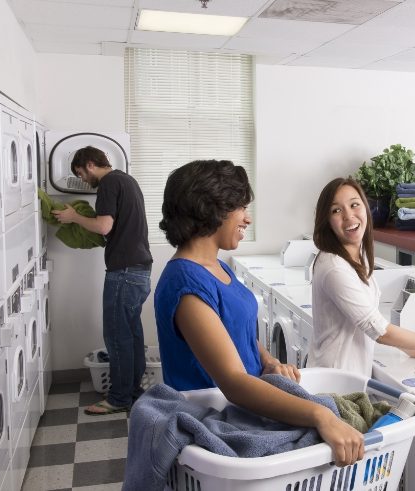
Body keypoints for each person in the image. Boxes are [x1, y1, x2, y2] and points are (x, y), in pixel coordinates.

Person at [153, 160, 364, 467]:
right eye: (241, 207)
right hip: (221, 417)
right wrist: (322, 417)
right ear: (214, 208)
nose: (247, 219)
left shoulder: (217, 267)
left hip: (248, 406)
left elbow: (237, 334)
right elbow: (234, 383)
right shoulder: (185, 284)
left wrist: (268, 360)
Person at [308, 177, 415, 377]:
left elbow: (370, 318)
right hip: (332, 382)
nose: (348, 216)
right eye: (336, 210)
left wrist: (409, 347)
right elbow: (379, 330)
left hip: (346, 379)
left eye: (354, 205)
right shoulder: (334, 267)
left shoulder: (357, 253)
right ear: (326, 220)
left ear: (365, 207)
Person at [52, 146, 152, 415]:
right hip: (140, 269)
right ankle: (133, 392)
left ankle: (119, 398)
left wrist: (73, 217)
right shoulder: (127, 180)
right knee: (131, 334)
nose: (83, 179)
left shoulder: (108, 183)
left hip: (124, 272)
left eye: (81, 173)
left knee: (117, 336)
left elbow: (104, 226)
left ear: (91, 164)